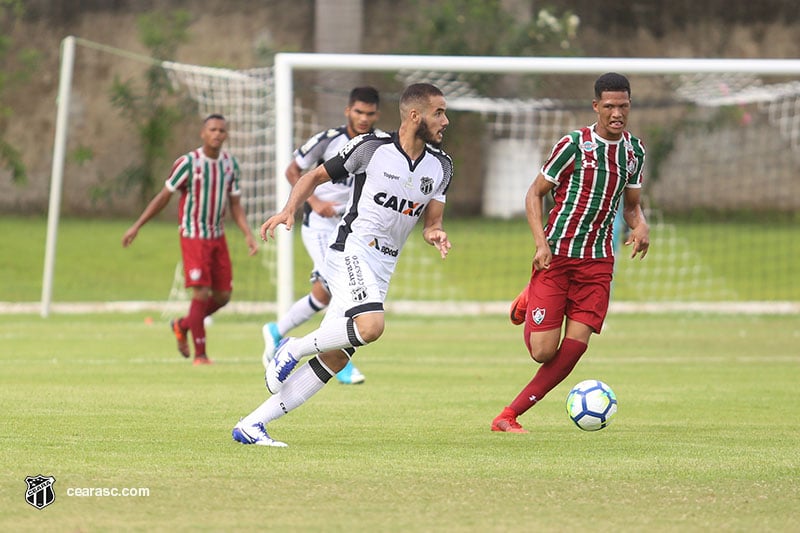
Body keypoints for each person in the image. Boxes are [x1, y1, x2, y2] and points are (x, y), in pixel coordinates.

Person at [232, 83, 453, 447]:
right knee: (371, 326)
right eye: (439, 112)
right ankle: (294, 346)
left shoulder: (441, 166)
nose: (445, 120)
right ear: (416, 116)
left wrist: (435, 233)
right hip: (352, 249)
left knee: (336, 357)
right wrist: (289, 209)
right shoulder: (371, 148)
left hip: (384, 264)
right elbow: (311, 176)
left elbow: (433, 220)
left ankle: (253, 424)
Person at [493, 72, 650, 433]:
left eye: (623, 106)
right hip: (558, 256)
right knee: (543, 352)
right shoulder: (573, 146)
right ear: (596, 106)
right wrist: (540, 244)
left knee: (575, 347)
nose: (616, 113)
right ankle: (530, 296)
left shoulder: (634, 152)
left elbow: (631, 206)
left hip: (597, 262)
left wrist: (640, 224)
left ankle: (508, 415)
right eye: (609, 106)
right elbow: (535, 193)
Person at [261, 86, 381, 386]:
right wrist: (314, 203)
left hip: (351, 228)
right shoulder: (328, 140)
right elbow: (293, 171)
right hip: (319, 225)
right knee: (339, 288)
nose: (364, 119)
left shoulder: (379, 145)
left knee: (324, 294)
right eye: (358, 112)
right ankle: (338, 361)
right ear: (347, 111)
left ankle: (277, 332)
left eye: (369, 113)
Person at [122, 114, 258, 366]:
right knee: (201, 292)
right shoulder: (188, 163)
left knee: (223, 296)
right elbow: (164, 196)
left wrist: (248, 234)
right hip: (193, 235)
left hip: (218, 236)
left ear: (226, 135)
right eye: (212, 129)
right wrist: (137, 225)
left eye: (221, 130)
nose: (217, 134)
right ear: (203, 133)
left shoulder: (230, 165)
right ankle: (201, 355)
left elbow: (235, 204)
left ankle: (182, 324)